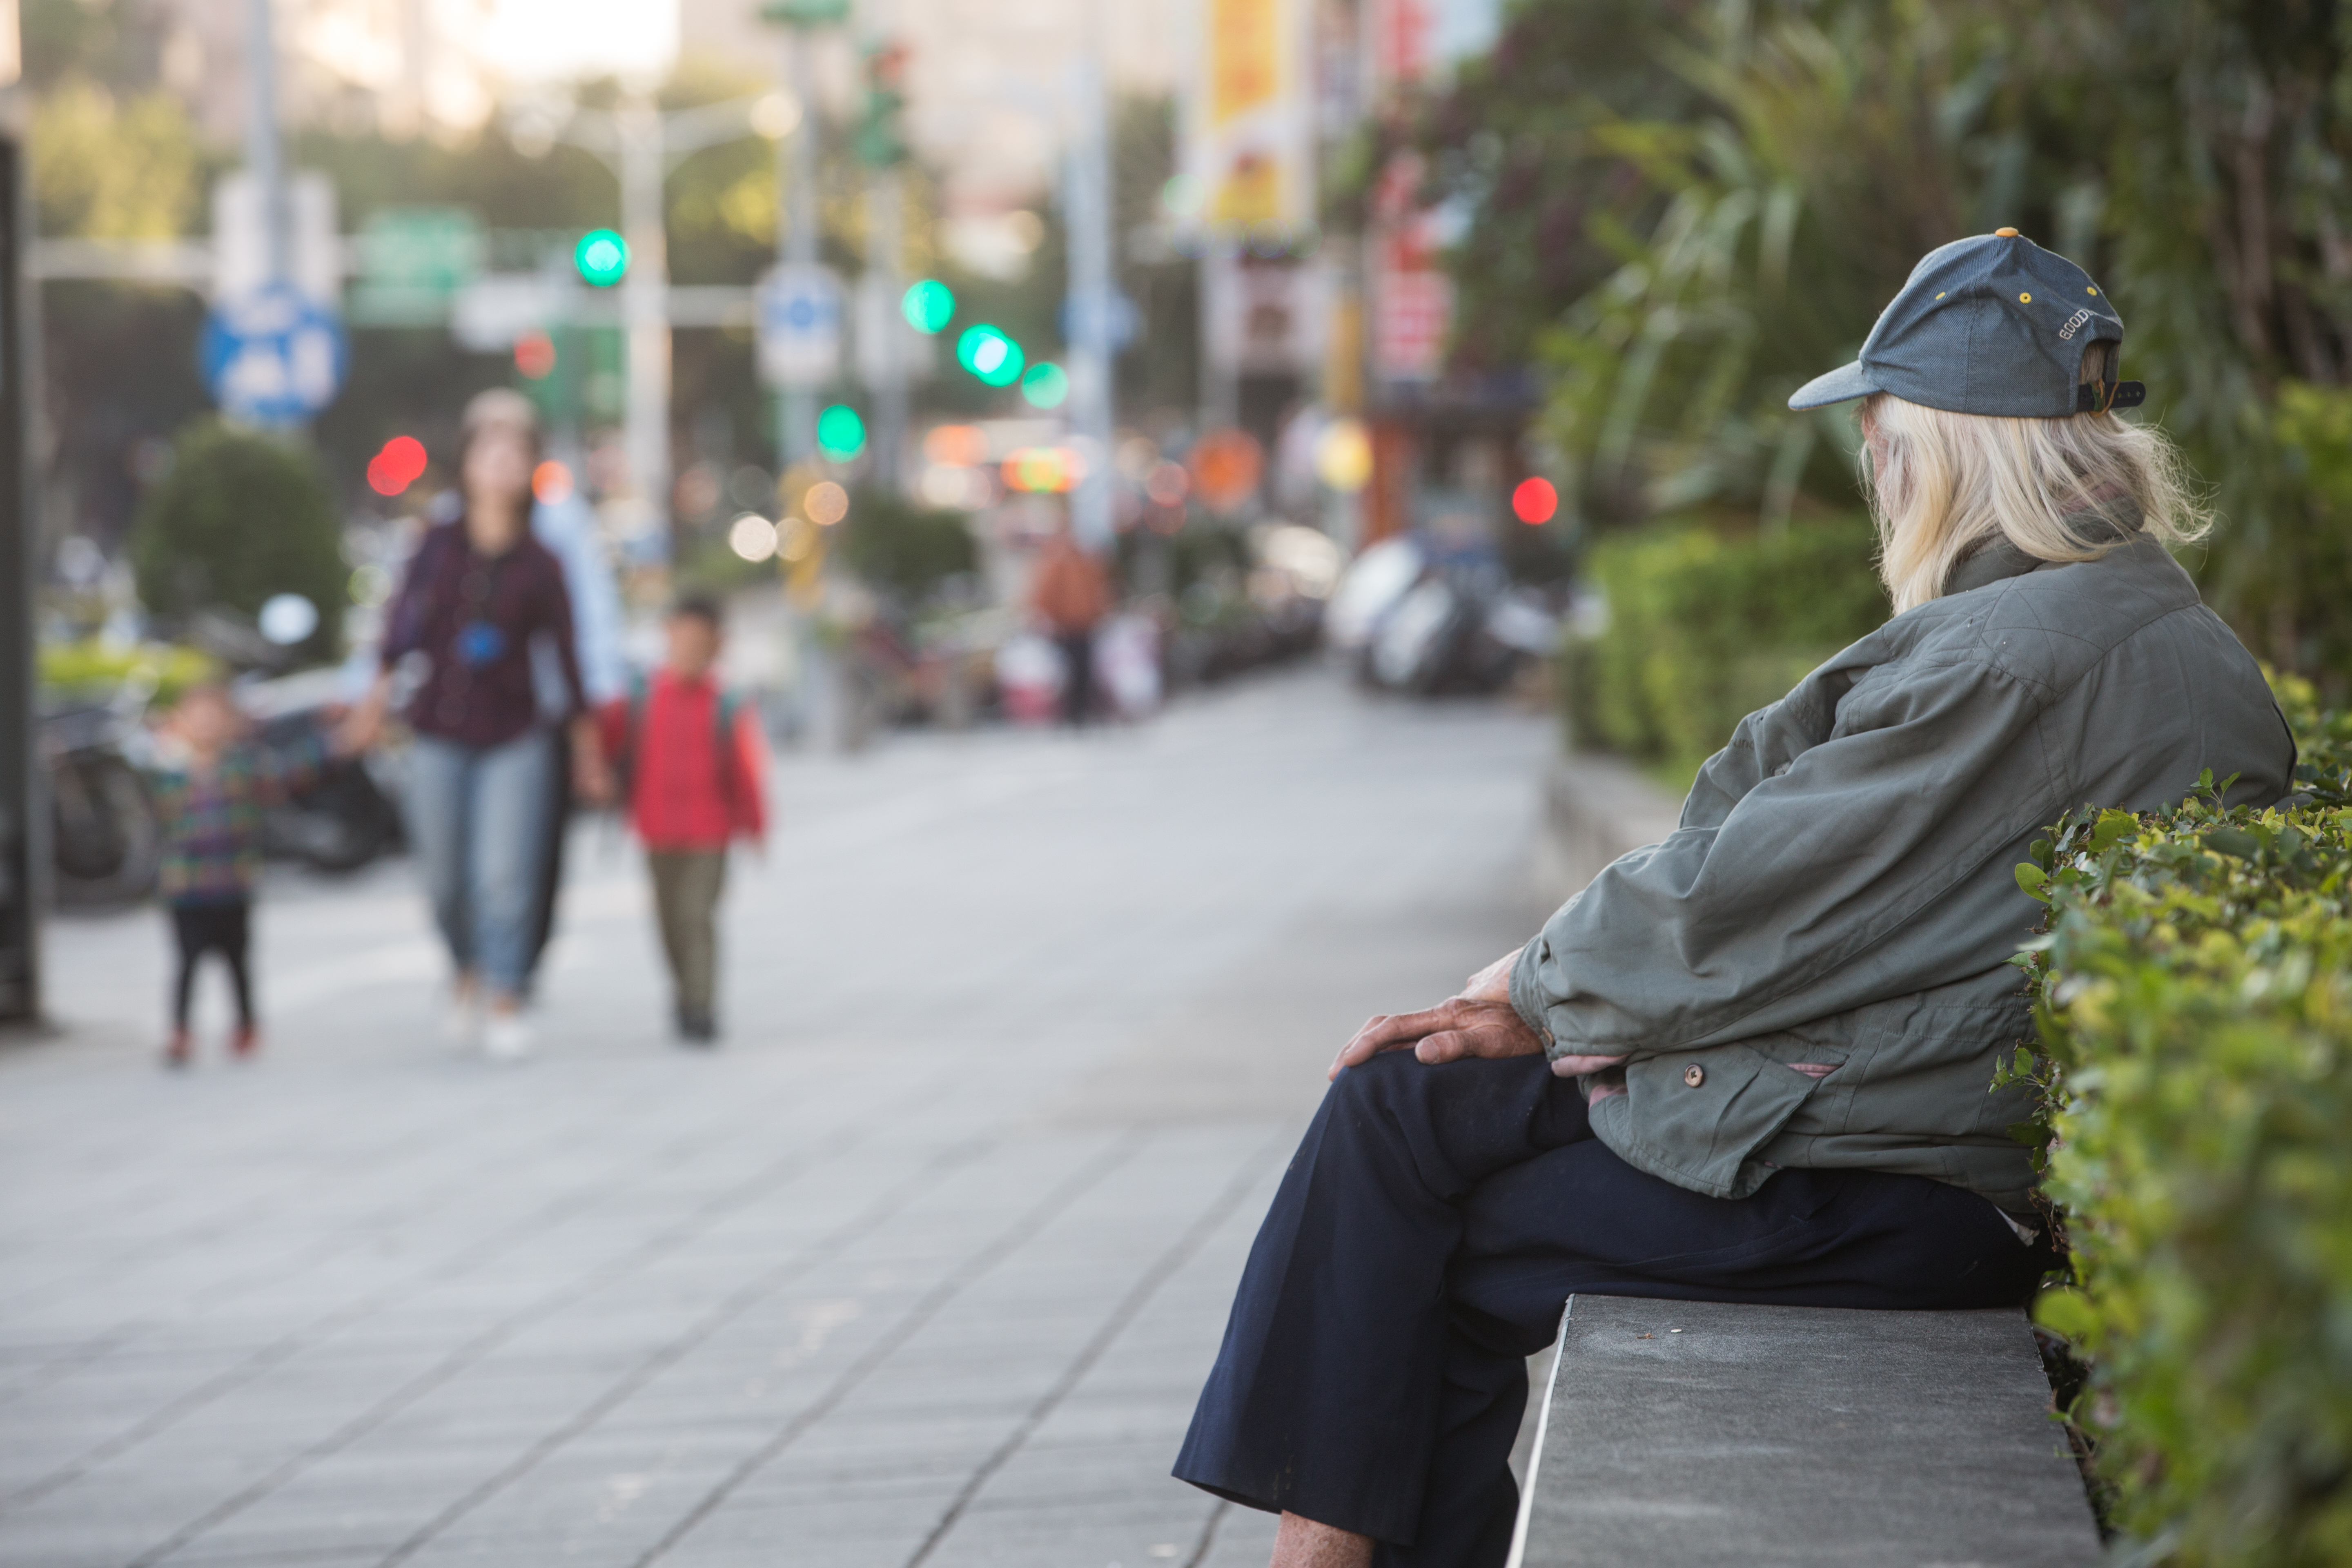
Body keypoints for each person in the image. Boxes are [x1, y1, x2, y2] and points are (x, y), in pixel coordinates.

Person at [1173, 231, 2301, 1568]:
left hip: (1890, 1172)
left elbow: (1752, 897)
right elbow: (1772, 826)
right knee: (1400, 1093)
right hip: (1850, 1098)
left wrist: (1532, 991)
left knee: (1431, 1256)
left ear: (1937, 449)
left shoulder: (2012, 661)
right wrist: (1536, 992)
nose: (1876, 470)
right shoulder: (2105, 624)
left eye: (1882, 436)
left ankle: (1317, 1557)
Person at [346, 400, 612, 1061]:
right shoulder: (434, 545)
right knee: (441, 874)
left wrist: (587, 747)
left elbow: (570, 657)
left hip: (516, 733)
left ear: (530, 467)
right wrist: (370, 702)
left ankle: (504, 991)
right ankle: (463, 965)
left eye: (514, 451)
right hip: (438, 727)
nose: (499, 463)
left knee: (504, 873)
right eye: (487, 449)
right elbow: (399, 629)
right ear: (465, 463)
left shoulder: (543, 560)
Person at [143, 683, 344, 1066]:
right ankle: (180, 1030)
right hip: (186, 890)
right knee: (186, 965)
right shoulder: (169, 772)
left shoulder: (243, 768)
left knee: (238, 964)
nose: (206, 726)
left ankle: (246, 1025)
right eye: (197, 718)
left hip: (233, 888)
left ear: (231, 724)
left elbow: (292, 771)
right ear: (181, 723)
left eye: (214, 718)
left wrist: (331, 739)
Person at [597, 596, 767, 1045]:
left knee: (698, 917)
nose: (690, 650)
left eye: (700, 642)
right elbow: (607, 741)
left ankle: (702, 1006)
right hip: (656, 830)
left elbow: (746, 773)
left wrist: (756, 826)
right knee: (669, 923)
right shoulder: (641, 698)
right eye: (682, 639)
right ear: (668, 636)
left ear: (716, 645)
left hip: (710, 832)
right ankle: (683, 993)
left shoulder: (727, 703)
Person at [1029, 521, 1111, 726]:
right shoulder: (1056, 563)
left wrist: (1099, 614)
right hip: (1066, 627)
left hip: (1086, 625)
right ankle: (1074, 712)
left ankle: (1084, 710)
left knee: (1086, 670)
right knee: (1072, 672)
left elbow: (1099, 591)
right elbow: (1044, 597)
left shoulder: (1087, 562)